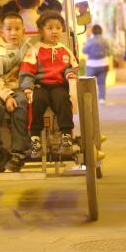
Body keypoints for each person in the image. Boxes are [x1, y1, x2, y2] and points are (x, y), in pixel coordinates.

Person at [20, 12, 79, 158]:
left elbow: (72, 66)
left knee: (63, 100)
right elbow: (27, 70)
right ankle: (35, 139)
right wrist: (27, 87)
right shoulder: (35, 49)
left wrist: (70, 74)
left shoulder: (65, 50)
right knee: (36, 101)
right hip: (40, 85)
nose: (54, 31)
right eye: (50, 28)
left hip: (58, 85)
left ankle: (66, 136)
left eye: (58, 28)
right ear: (41, 30)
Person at [0, 13, 32, 172]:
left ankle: (18, 152)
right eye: (9, 29)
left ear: (23, 31)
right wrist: (7, 97)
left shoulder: (28, 47)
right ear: (1, 32)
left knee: (21, 105)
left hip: (19, 88)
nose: (13, 33)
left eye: (17, 29)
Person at [83, 24, 110, 104]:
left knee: (89, 83)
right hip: (103, 64)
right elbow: (109, 50)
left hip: (91, 65)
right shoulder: (104, 40)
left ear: (93, 31)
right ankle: (102, 99)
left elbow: (84, 50)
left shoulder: (90, 40)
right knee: (102, 83)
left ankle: (89, 99)